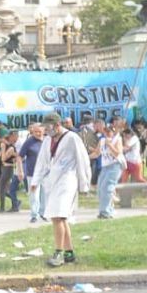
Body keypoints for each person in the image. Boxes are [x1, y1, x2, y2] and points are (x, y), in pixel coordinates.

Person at [33, 112, 91, 267]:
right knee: (60, 217)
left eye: (48, 127)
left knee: (58, 215)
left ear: (57, 125)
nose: (46, 130)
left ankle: (58, 253)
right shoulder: (47, 140)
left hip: (67, 181)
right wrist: (36, 180)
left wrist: (84, 183)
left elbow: (83, 160)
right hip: (53, 181)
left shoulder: (72, 138)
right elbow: (42, 161)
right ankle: (69, 253)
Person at [96, 121, 125, 219]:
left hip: (115, 165)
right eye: (106, 131)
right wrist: (86, 157)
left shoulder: (117, 140)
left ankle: (105, 212)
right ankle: (108, 209)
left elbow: (118, 153)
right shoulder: (102, 141)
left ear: (113, 132)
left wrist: (110, 145)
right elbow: (97, 153)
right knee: (100, 188)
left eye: (109, 131)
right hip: (105, 166)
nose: (107, 133)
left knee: (107, 187)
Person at [19, 122, 45, 223]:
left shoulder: (47, 140)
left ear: (43, 131)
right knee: (34, 195)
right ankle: (34, 214)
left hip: (46, 173)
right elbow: (19, 156)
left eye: (39, 131)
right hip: (32, 173)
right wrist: (20, 170)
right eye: (35, 132)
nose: (37, 133)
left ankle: (44, 213)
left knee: (45, 194)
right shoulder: (29, 142)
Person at [0, 129, 20, 213]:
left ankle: (2, 207)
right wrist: (2, 148)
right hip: (4, 167)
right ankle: (15, 201)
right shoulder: (7, 146)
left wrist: (3, 149)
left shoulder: (11, 148)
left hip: (8, 168)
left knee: (2, 187)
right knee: (2, 188)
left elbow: (3, 158)